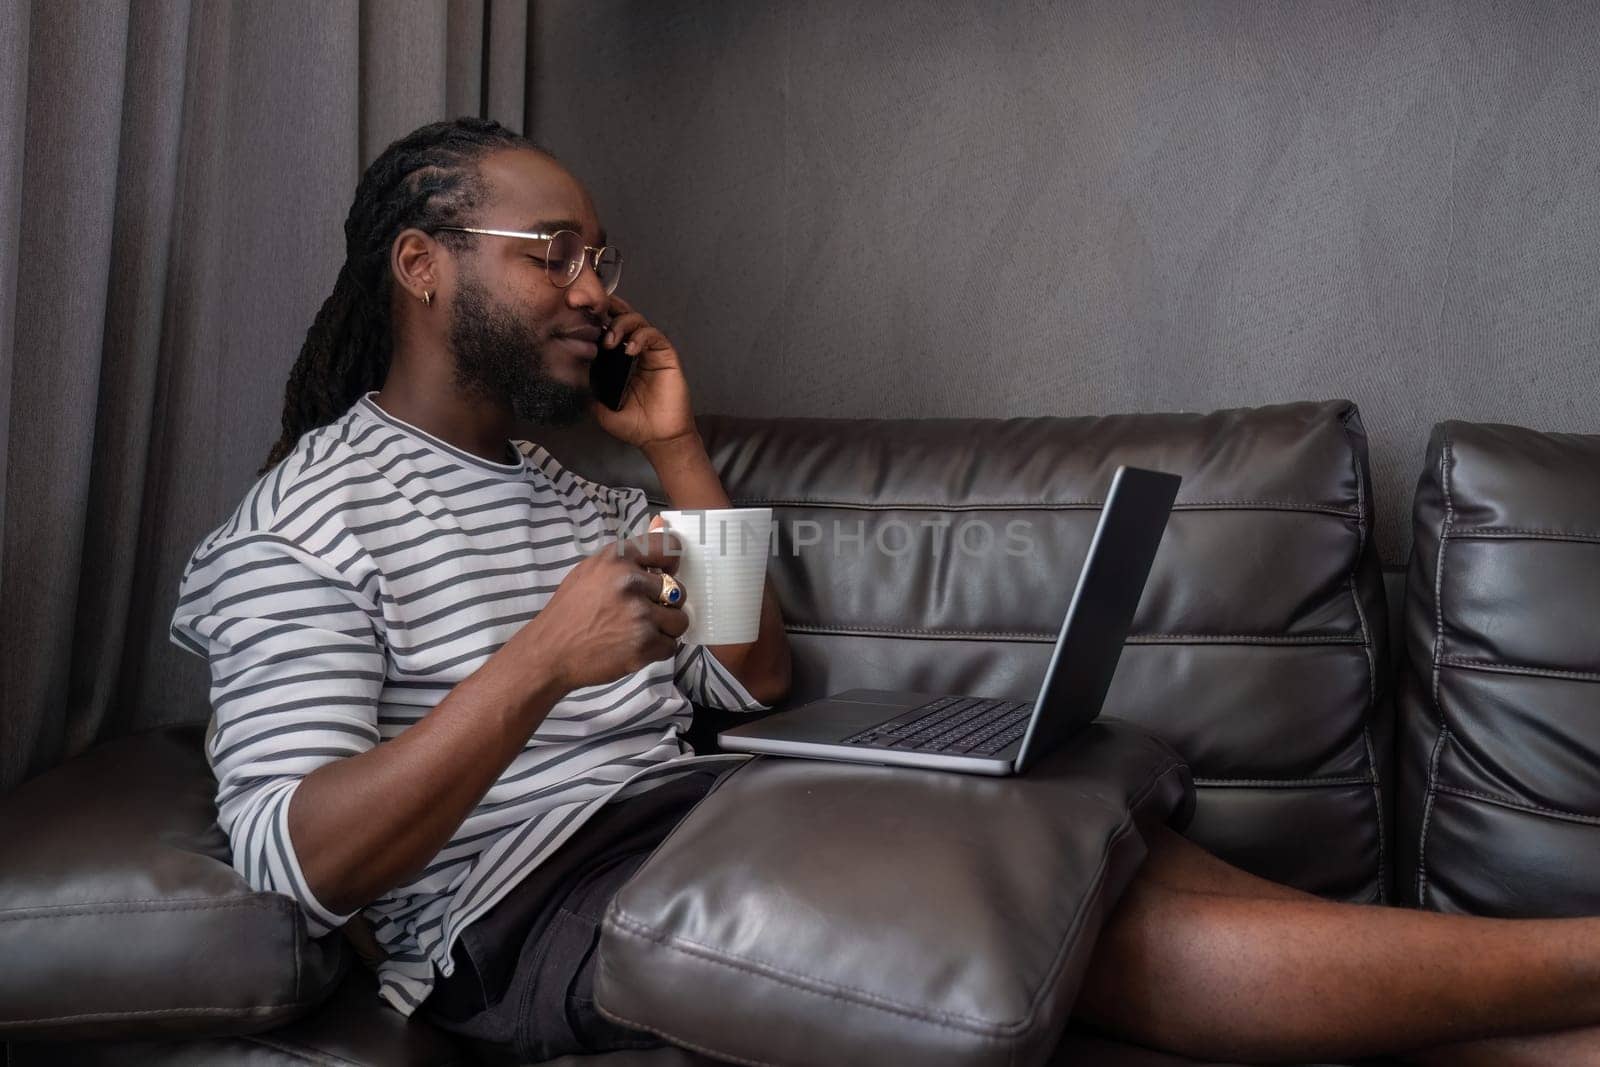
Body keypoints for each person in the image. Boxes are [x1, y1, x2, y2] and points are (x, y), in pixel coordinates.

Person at [170, 118, 1600, 1066]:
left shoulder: (565, 484)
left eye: (603, 256)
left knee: (1080, 838)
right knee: (1041, 916)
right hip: (529, 913)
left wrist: (670, 444)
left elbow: (757, 680)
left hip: (692, 817)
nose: (596, 286)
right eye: (556, 253)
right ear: (422, 267)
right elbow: (297, 854)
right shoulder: (306, 521)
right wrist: (539, 663)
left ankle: (1534, 1011)